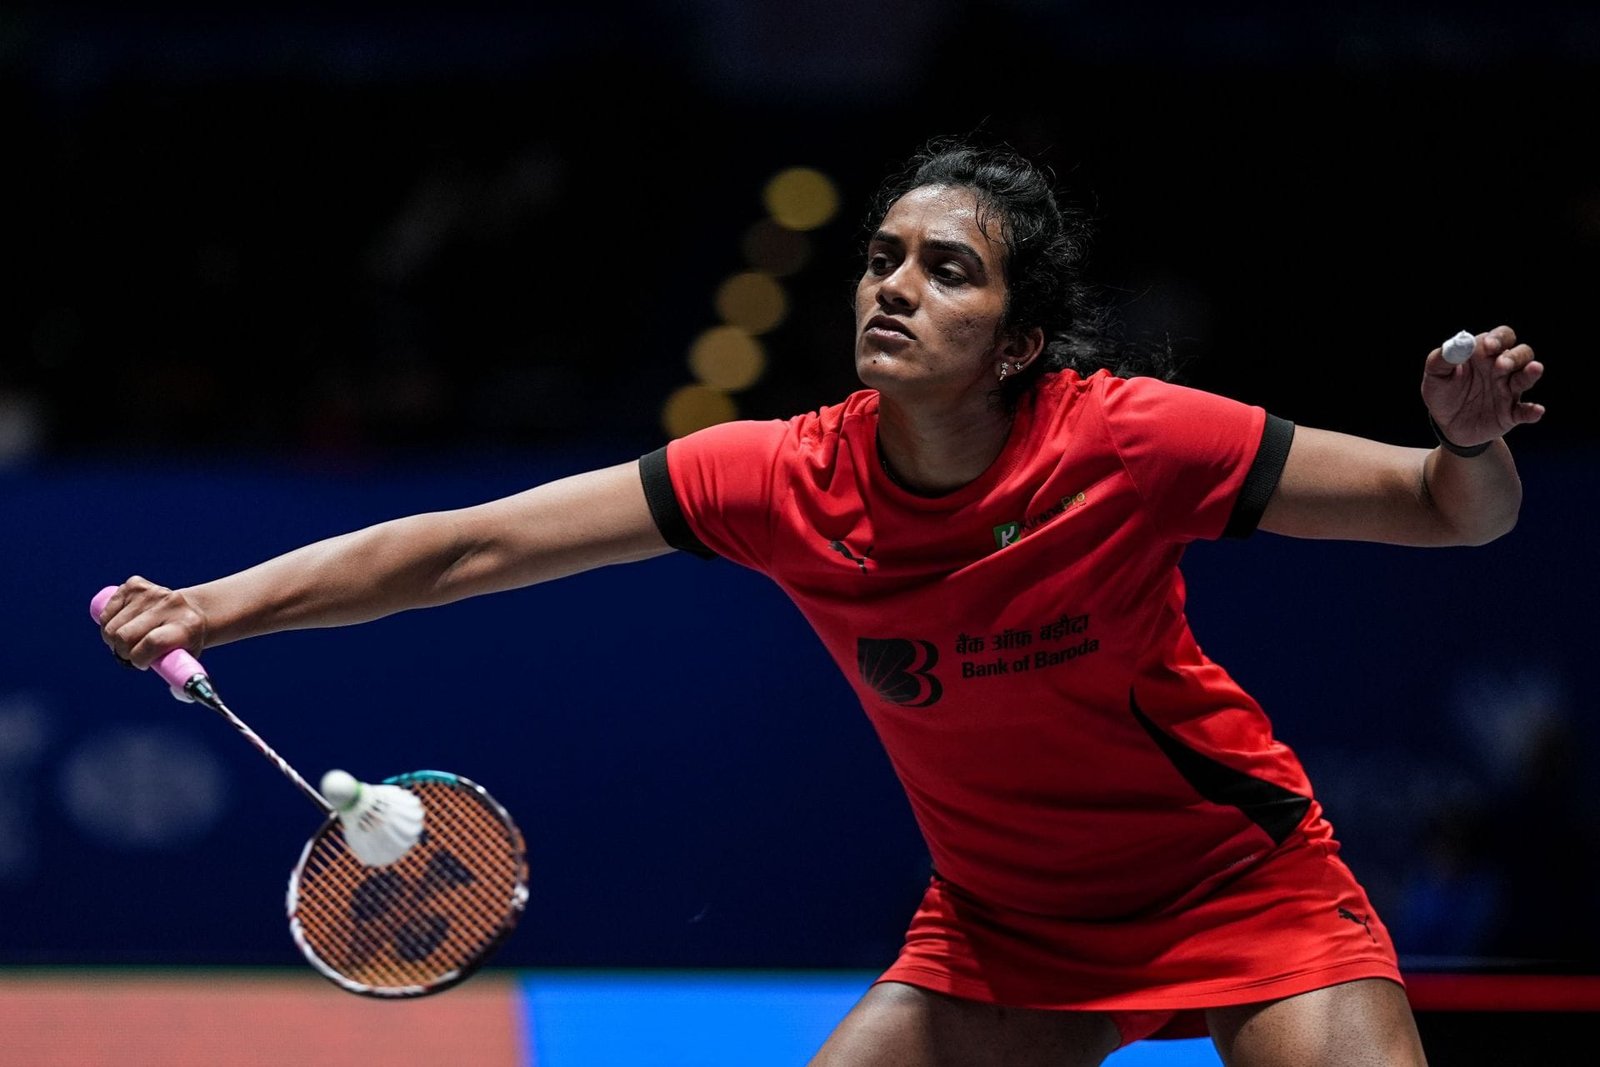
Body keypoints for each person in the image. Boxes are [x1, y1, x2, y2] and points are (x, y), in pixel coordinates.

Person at [96, 134, 1545, 1066]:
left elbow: (1444, 511)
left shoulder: (1129, 438)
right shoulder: (779, 478)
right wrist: (220, 606)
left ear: (1020, 338)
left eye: (947, 270)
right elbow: (469, 548)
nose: (892, 287)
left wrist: (1471, 443)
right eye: (882, 258)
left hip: (1244, 890)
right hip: (1003, 937)